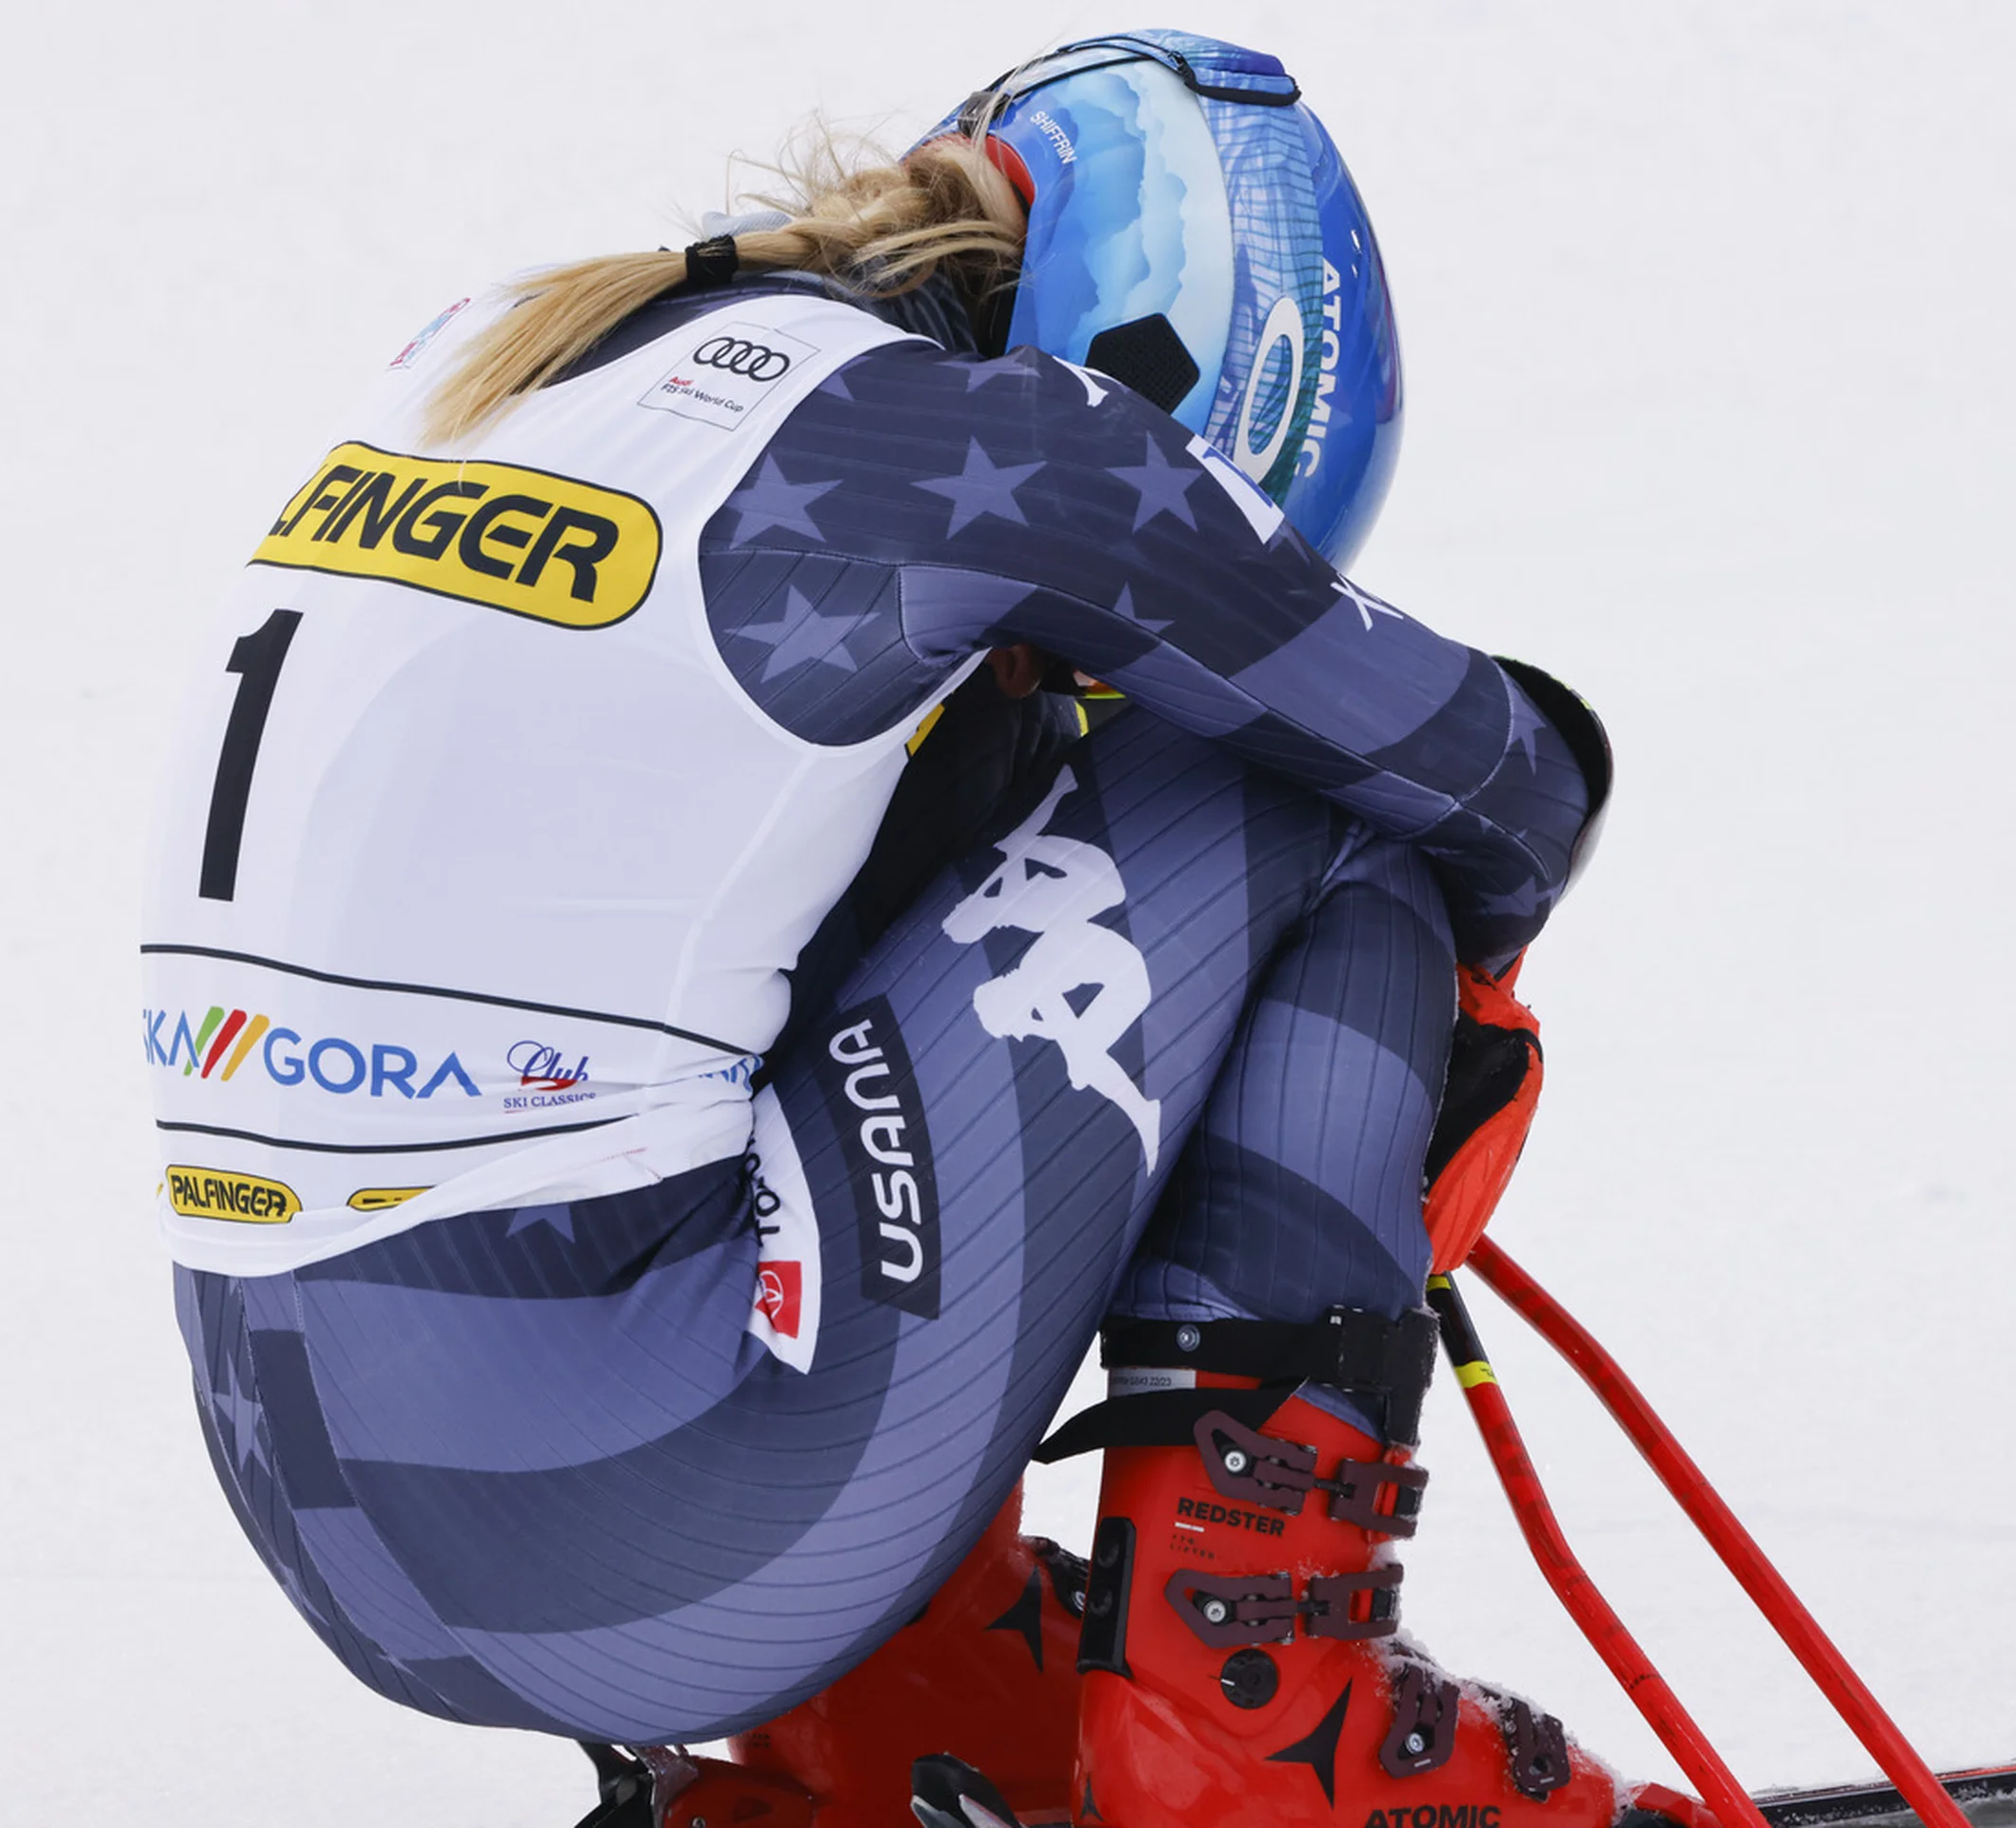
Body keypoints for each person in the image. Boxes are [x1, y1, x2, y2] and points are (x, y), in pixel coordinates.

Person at [143, 30, 1693, 1828]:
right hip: (673, 1534)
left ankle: (900, 1699)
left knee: (888, 807)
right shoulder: (996, 444)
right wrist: (1391, 1062)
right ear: (1148, 354)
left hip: (348, 1535)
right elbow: (1502, 777)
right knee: (1308, 803)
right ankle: (1257, 1725)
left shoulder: (510, 352)